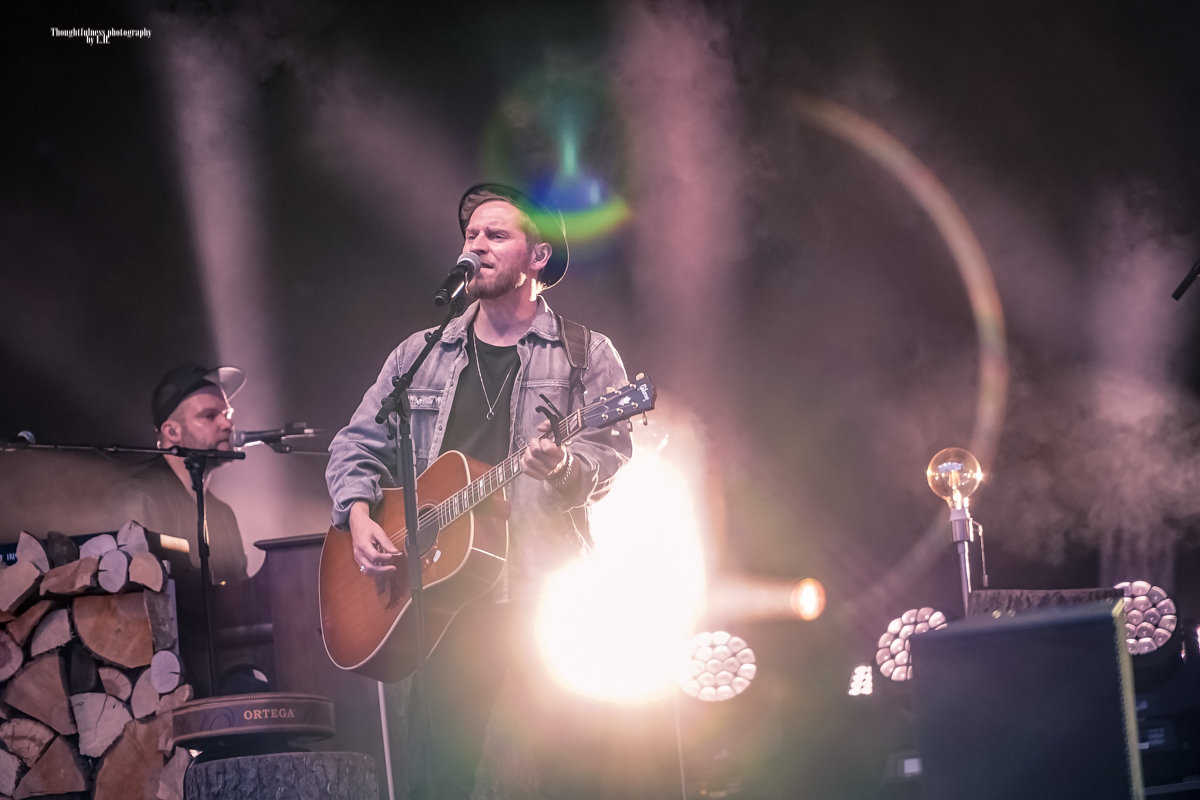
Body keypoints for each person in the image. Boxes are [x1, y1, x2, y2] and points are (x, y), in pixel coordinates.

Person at [325, 183, 634, 799]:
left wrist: (561, 468)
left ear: (537, 258)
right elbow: (355, 442)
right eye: (471, 235)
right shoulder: (421, 355)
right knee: (436, 779)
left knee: (573, 774)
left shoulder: (584, 354)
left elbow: (609, 454)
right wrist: (357, 514)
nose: (478, 245)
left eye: (497, 235)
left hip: (545, 592)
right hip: (446, 598)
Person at [106, 363, 249, 586]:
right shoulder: (137, 499)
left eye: (227, 414)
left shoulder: (223, 514)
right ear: (172, 431)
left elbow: (241, 594)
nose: (228, 424)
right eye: (209, 416)